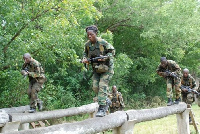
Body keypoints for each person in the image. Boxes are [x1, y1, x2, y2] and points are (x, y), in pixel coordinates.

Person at [82, 25, 115, 117]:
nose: (89, 36)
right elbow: (85, 53)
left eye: (91, 34)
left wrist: (104, 58)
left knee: (102, 86)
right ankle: (106, 100)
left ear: (95, 34)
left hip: (107, 68)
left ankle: (102, 108)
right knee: (95, 87)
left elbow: (112, 51)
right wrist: (84, 59)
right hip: (96, 69)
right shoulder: (87, 45)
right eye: (88, 35)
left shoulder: (102, 42)